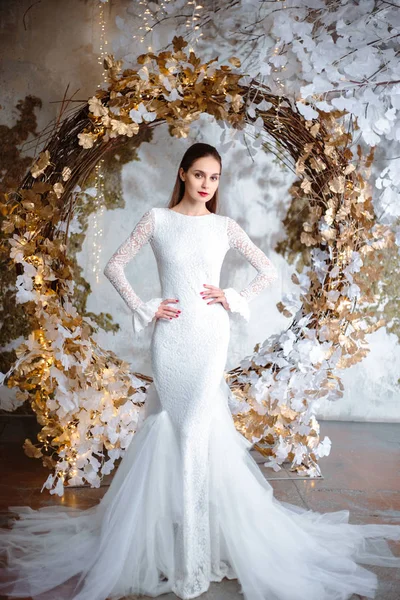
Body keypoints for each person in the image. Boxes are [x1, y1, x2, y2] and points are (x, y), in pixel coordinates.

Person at [0, 142, 399, 600]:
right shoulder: (157, 219)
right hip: (170, 339)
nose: (207, 185)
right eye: (200, 175)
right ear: (183, 173)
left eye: (214, 178)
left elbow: (266, 270)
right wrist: (144, 306)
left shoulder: (224, 227)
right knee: (172, 426)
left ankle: (199, 553)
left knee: (196, 430)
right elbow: (114, 266)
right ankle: (182, 548)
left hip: (210, 337)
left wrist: (231, 295)